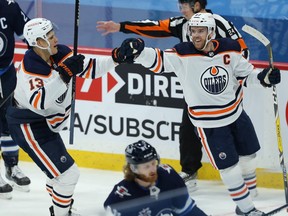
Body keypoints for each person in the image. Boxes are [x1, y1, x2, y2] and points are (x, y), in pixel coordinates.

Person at [112, 13, 281, 216]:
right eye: (193, 31)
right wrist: (138, 51)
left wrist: (264, 77)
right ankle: (246, 209)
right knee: (229, 168)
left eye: (200, 31)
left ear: (211, 32)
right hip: (209, 123)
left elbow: (246, 74)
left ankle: (250, 192)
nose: (195, 36)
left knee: (249, 156)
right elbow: (158, 58)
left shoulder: (230, 48)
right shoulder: (183, 54)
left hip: (236, 114)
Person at [96, 0, 249, 194]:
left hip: (223, 91)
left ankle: (244, 174)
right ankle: (190, 171)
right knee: (187, 129)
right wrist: (121, 27)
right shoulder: (181, 24)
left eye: (185, 5)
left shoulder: (219, 23)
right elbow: (154, 27)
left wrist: (236, 82)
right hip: (196, 92)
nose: (181, 9)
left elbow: (242, 50)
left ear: (198, 4)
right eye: (180, 5)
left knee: (233, 128)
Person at [5, 17, 117, 216]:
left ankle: (61, 208)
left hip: (45, 124)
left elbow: (91, 68)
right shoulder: (31, 68)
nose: (56, 39)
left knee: (58, 175)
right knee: (67, 175)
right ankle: (61, 213)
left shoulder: (59, 54)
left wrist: (117, 58)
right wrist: (64, 75)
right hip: (28, 126)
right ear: (39, 42)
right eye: (50, 37)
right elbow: (40, 102)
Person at [104, 139, 208, 216]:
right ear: (134, 169)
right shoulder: (121, 197)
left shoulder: (169, 176)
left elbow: (188, 211)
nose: (153, 169)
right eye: (146, 166)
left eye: (153, 163)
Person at [0, 0, 31, 199]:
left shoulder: (9, 5)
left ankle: (11, 167)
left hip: (6, 74)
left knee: (10, 121)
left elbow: (28, 32)